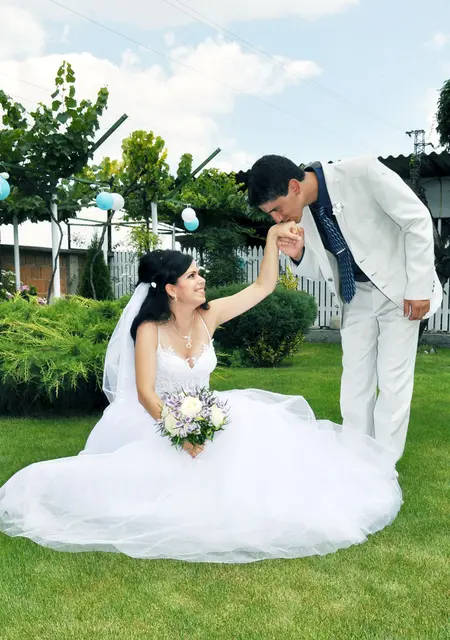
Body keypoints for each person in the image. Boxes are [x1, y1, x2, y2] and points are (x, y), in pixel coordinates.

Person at [0, 225, 401, 564]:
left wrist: (271, 238)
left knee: (259, 458)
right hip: (157, 420)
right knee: (144, 493)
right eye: (192, 275)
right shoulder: (149, 330)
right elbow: (145, 393)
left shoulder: (210, 315)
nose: (201, 279)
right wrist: (182, 432)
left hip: (209, 413)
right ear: (171, 289)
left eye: (198, 273)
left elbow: (263, 286)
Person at [247, 155, 443, 463]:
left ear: (294, 186)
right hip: (355, 296)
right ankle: (356, 464)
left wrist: (418, 288)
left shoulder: (362, 172)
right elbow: (325, 268)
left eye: (276, 208)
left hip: (400, 290)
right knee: (354, 384)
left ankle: (384, 469)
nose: (276, 218)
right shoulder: (301, 215)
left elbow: (416, 219)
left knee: (393, 383)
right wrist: (299, 255)